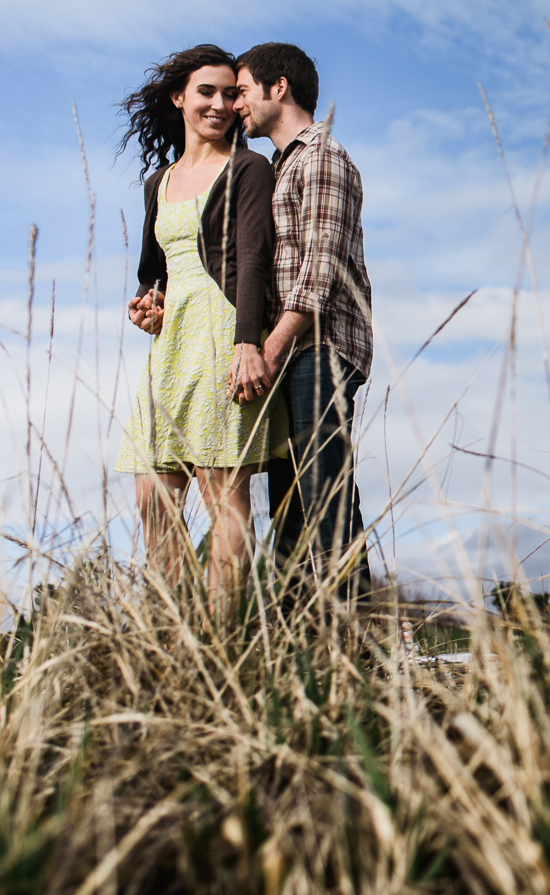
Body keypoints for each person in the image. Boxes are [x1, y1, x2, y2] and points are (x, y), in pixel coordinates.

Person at [113, 44, 280, 607]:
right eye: (206, 91)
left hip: (223, 335)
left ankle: (222, 644)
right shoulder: (156, 183)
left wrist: (248, 343)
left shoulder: (248, 168)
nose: (219, 103)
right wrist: (146, 305)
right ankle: (169, 636)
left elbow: (254, 258)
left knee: (223, 497)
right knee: (152, 496)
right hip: (169, 346)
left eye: (231, 93)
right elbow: (152, 271)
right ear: (179, 97)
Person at [233, 43, 375, 601]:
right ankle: (299, 657)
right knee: (289, 510)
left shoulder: (321, 157)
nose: (237, 103)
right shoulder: (278, 166)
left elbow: (320, 272)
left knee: (324, 493)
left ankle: (355, 642)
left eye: (243, 90)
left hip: (320, 348)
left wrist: (270, 347)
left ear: (279, 87)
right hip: (291, 353)